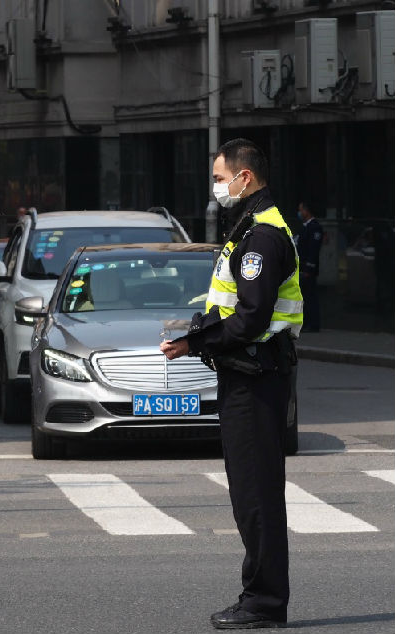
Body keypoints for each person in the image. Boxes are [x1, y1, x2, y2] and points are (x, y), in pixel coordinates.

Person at [160, 138, 302, 630]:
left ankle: (263, 602)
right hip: (248, 374)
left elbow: (250, 318)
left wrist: (196, 341)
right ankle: (260, 596)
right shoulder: (250, 228)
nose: (217, 188)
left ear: (245, 177)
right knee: (251, 493)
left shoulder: (262, 237)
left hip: (256, 376)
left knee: (256, 494)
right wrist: (201, 330)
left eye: (221, 179)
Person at [294, 201, 323, 332]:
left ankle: (313, 324)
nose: (300, 213)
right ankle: (306, 323)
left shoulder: (314, 227)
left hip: (307, 269)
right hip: (301, 267)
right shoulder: (304, 227)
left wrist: (308, 269)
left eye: (301, 210)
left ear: (307, 211)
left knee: (310, 297)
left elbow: (313, 250)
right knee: (304, 297)